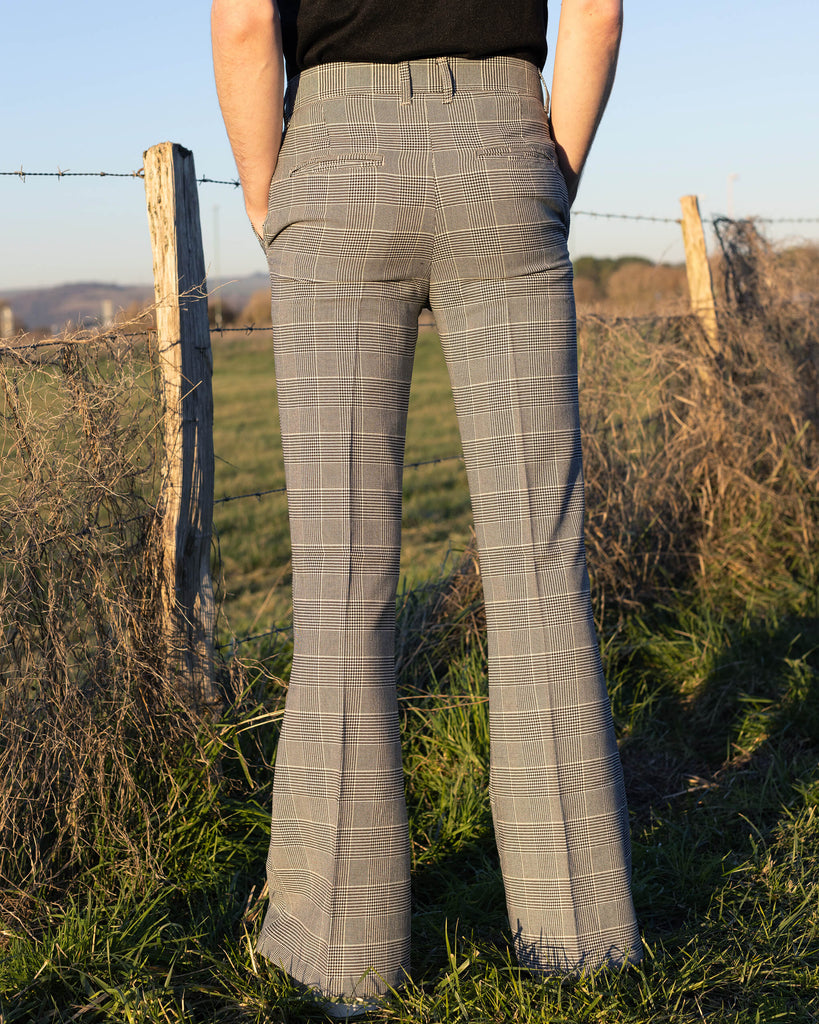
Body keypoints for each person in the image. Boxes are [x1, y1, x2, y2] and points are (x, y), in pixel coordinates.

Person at [211, 0, 641, 1015]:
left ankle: (341, 948)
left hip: (337, 147)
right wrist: (551, 175)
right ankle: (579, 936)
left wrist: (273, 190)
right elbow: (600, 13)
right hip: (504, 138)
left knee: (342, 570)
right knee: (539, 562)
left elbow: (240, 24)